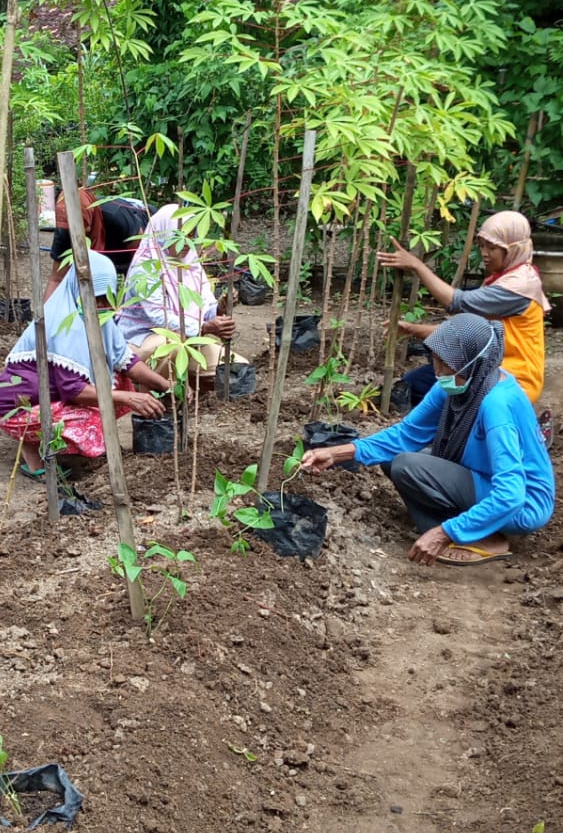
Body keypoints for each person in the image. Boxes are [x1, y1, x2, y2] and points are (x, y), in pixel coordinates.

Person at [300, 316, 554, 566]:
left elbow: (511, 494)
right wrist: (338, 453)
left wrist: (446, 532)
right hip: (484, 476)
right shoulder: (463, 382)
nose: (438, 372)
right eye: (436, 361)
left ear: (474, 363)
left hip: (524, 504)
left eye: (447, 364)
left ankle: (484, 538)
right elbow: (405, 435)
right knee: (395, 460)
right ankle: (463, 525)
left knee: (408, 466)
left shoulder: (496, 404)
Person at [0, 250, 175, 477]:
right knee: (92, 419)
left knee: (121, 383)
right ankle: (35, 451)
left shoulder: (102, 317)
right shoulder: (63, 322)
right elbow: (74, 390)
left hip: (49, 396)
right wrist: (128, 398)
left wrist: (166, 384)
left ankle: (46, 442)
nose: (101, 305)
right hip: (18, 408)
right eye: (96, 298)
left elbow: (126, 361)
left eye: (106, 299)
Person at [378, 211, 550, 404]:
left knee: (435, 394)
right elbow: (471, 331)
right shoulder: (508, 278)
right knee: (415, 384)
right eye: (482, 246)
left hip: (513, 379)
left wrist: (417, 266)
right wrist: (414, 330)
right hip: (489, 365)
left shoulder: (517, 286)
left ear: (512, 249)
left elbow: (457, 302)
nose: (485, 253)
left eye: (492, 248)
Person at [118, 204, 239, 380]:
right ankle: (156, 395)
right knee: (173, 345)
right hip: (141, 339)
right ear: (163, 233)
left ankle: (191, 397)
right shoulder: (145, 268)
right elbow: (158, 317)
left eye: (190, 235)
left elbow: (204, 308)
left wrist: (219, 308)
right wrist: (203, 328)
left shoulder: (191, 264)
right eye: (178, 235)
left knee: (233, 369)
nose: (185, 242)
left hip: (190, 337)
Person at [44, 188, 150, 300]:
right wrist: (45, 314)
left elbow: (140, 264)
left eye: (86, 225)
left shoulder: (116, 216)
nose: (87, 230)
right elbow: (57, 279)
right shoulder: (65, 230)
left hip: (139, 240)